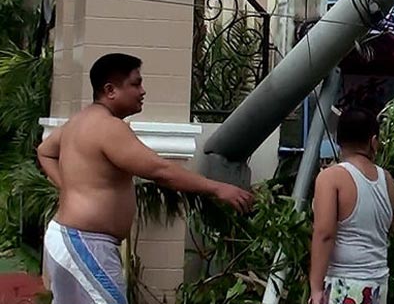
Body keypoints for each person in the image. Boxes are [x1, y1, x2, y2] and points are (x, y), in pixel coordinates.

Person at [36, 52, 254, 304]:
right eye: (135, 84)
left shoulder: (79, 121)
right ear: (110, 90)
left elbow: (45, 151)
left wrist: (69, 189)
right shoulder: (108, 127)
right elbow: (161, 171)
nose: (143, 91)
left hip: (73, 239)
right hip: (84, 244)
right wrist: (218, 189)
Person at [309, 107, 394, 304]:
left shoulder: (330, 177)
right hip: (377, 285)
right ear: (373, 141)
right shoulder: (387, 179)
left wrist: (316, 288)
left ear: (337, 140)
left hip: (344, 283)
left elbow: (324, 234)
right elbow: (391, 225)